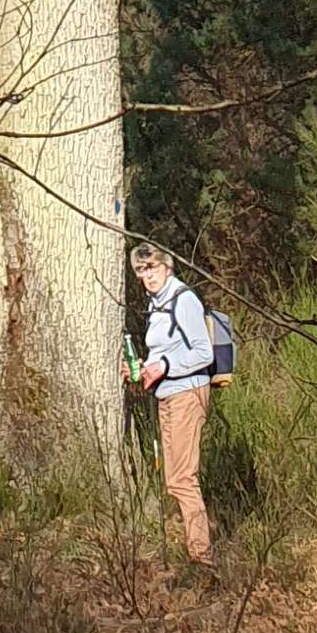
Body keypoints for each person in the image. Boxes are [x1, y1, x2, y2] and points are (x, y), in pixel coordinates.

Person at [131, 242, 213, 566]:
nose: (148, 275)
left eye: (152, 267)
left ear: (167, 266)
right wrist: (143, 368)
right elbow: (164, 352)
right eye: (141, 270)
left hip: (188, 394)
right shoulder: (157, 304)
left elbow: (204, 353)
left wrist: (164, 366)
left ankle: (202, 557)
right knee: (173, 479)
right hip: (166, 394)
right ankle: (195, 551)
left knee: (183, 478)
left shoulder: (183, 299)